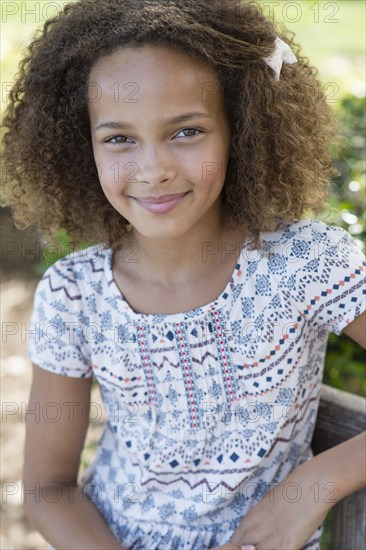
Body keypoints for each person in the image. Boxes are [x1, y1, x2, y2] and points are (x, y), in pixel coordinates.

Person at [1, 0, 365, 548]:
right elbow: (49, 488)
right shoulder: (74, 294)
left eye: (186, 131)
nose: (154, 170)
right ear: (85, 148)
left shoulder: (304, 263)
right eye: (119, 138)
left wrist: (312, 487)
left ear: (240, 129)